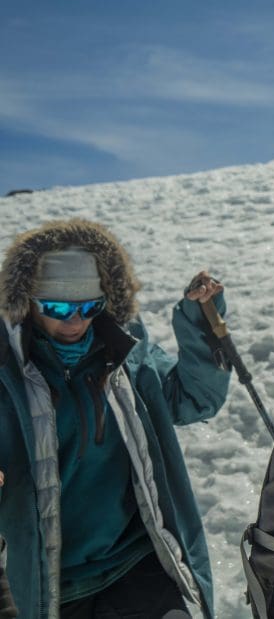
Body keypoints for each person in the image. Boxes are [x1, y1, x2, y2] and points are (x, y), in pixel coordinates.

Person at [0, 219, 230, 618]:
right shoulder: (8, 377)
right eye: (57, 308)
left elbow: (195, 400)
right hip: (50, 586)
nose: (75, 322)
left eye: (88, 307)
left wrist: (200, 324)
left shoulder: (126, 355)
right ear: (29, 304)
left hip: (137, 563)